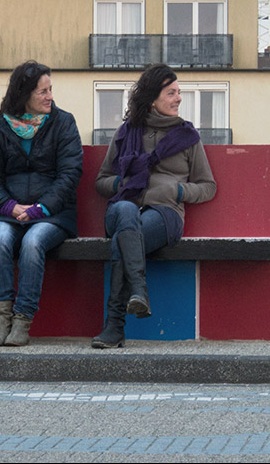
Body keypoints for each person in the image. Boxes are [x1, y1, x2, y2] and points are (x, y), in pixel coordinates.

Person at [92, 63, 217, 349]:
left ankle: (114, 327)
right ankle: (138, 290)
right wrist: (122, 185)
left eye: (179, 92)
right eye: (171, 93)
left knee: (122, 243)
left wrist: (177, 189)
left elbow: (208, 186)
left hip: (165, 213)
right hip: (124, 207)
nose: (178, 98)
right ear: (152, 98)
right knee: (124, 213)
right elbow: (101, 180)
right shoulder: (127, 133)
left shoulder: (187, 137)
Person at [0, 61, 83, 347]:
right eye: (42, 91)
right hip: (8, 211)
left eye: (50, 90)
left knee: (32, 242)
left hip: (53, 214)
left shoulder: (64, 122)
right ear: (24, 94)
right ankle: (2, 320)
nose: (49, 96)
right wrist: (8, 206)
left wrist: (41, 209)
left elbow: (70, 174)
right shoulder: (0, 126)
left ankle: (22, 320)